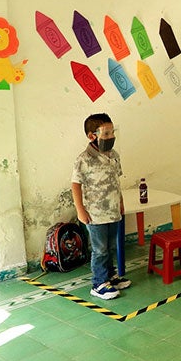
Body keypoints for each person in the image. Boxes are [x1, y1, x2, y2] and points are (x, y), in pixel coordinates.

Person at [71, 113, 131, 300]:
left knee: (111, 246)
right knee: (100, 249)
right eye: (105, 133)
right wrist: (80, 210)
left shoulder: (114, 156)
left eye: (112, 132)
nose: (110, 137)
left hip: (113, 211)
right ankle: (98, 283)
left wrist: (120, 202)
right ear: (92, 135)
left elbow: (116, 182)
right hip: (95, 214)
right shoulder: (84, 159)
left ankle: (110, 276)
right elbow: (75, 184)